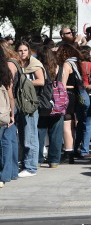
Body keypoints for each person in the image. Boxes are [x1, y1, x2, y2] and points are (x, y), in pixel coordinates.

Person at [15, 41, 44, 177]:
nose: (22, 53)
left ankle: (31, 167)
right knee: (22, 135)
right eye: (20, 50)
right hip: (19, 103)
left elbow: (41, 81)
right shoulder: (17, 65)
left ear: (29, 51)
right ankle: (25, 163)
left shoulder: (34, 64)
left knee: (30, 135)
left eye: (25, 50)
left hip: (31, 103)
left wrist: (25, 83)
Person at [0, 42, 18, 185]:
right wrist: (12, 114)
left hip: (4, 110)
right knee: (8, 142)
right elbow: (10, 94)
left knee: (5, 143)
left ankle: (5, 174)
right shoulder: (5, 70)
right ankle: (9, 173)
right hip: (5, 110)